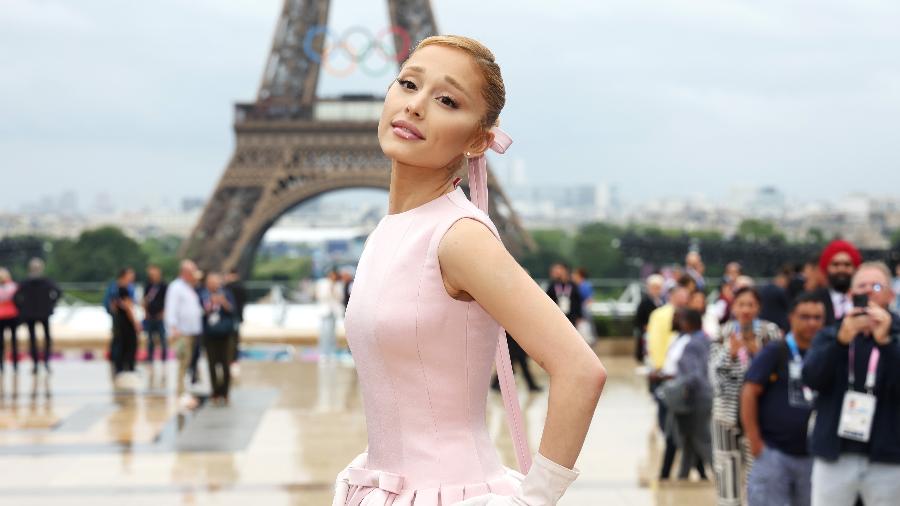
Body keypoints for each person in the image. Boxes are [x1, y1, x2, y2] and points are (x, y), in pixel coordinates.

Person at [332, 35, 606, 506]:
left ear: (480, 138)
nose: (415, 106)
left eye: (446, 100)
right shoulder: (389, 231)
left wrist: (536, 499)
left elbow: (581, 369)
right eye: (408, 83)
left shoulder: (460, 237)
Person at [803, 262, 900, 506]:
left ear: (891, 294)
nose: (868, 292)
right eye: (861, 286)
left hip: (888, 456)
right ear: (850, 294)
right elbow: (811, 378)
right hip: (835, 454)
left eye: (876, 286)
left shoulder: (896, 335)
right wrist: (841, 342)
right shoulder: (830, 334)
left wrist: (886, 343)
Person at [742, 292, 825, 506]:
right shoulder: (776, 350)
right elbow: (749, 392)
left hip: (813, 456)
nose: (811, 323)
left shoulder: (826, 353)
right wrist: (755, 442)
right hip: (774, 453)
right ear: (791, 318)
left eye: (817, 318)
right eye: (805, 317)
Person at [709, 286, 782, 506]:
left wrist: (757, 353)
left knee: (758, 475)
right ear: (733, 307)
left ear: (758, 307)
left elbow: (780, 369)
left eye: (751, 304)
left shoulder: (771, 332)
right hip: (726, 415)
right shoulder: (723, 332)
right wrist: (730, 353)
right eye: (741, 304)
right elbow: (713, 373)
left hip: (761, 415)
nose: (746, 309)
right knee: (726, 474)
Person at [646, 280, 691, 480]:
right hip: (665, 370)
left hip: (681, 371)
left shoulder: (688, 314)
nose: (684, 299)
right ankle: (672, 440)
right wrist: (658, 366)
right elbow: (654, 340)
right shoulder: (661, 314)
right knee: (665, 408)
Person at [664, 308, 713, 480]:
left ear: (689, 323)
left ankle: (723, 476)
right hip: (705, 394)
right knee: (688, 441)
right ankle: (682, 476)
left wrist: (683, 388)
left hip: (694, 397)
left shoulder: (691, 343)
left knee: (702, 439)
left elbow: (694, 374)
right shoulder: (705, 339)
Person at [164, 260, 203, 401]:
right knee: (183, 362)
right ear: (186, 273)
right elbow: (171, 308)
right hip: (182, 332)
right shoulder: (176, 287)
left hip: (192, 331)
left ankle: (187, 387)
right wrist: (173, 328)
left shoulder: (190, 287)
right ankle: (181, 391)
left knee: (190, 361)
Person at [13, 258, 61, 375]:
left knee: (33, 339)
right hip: (44, 312)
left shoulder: (25, 282)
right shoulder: (47, 281)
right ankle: (45, 362)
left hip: (30, 313)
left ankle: (35, 364)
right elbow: (58, 292)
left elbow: (16, 297)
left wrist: (22, 308)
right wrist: (51, 304)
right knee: (46, 338)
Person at [200, 273, 236, 406]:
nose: (214, 285)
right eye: (211, 282)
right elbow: (200, 312)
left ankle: (225, 392)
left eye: (216, 282)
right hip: (210, 335)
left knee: (226, 364)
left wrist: (223, 302)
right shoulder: (203, 295)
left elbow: (233, 310)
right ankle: (215, 392)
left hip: (225, 334)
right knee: (212, 364)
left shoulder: (226, 294)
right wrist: (210, 305)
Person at [812, 240, 862, 326]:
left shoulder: (864, 299)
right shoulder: (814, 299)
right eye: (836, 264)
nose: (841, 269)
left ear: (854, 268)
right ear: (826, 268)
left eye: (847, 264)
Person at [105, 268, 135, 371]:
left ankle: (119, 365)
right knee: (122, 342)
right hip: (122, 319)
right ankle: (122, 366)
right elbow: (127, 306)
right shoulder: (121, 288)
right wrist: (135, 322)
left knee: (119, 341)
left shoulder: (117, 287)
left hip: (119, 318)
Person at [634, 274, 664, 363]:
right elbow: (639, 319)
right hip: (648, 333)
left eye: (658, 288)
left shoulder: (663, 302)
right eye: (654, 287)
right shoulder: (644, 302)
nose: (656, 290)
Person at [112, 284, 140, 377]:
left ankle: (120, 367)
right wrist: (136, 324)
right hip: (128, 327)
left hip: (120, 327)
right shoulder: (125, 302)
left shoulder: (116, 302)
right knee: (131, 347)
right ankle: (130, 367)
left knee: (121, 347)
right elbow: (129, 311)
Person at [316, 269, 343, 363]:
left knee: (332, 333)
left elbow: (340, 297)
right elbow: (320, 296)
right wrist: (329, 290)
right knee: (324, 333)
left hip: (334, 311)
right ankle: (323, 353)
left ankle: (332, 353)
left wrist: (334, 289)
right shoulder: (322, 283)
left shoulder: (338, 285)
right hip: (324, 311)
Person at [143, 265, 168, 363]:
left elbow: (167, 300)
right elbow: (145, 299)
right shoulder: (148, 285)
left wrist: (163, 313)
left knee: (162, 337)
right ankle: (150, 356)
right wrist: (146, 312)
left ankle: (164, 357)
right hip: (150, 316)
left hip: (160, 316)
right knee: (150, 338)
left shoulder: (163, 285)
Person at [759, 266, 791, 333]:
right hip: (778, 324)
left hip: (763, 321)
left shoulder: (764, 288)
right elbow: (787, 307)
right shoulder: (781, 291)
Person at [224, 269, 246, 367]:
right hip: (237, 317)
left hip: (229, 318)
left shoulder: (227, 287)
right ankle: (234, 359)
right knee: (235, 338)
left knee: (230, 338)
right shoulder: (241, 286)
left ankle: (230, 358)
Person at [0, 268, 19, 373]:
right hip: (12, 315)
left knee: (1, 343)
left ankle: (2, 365)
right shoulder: (13, 286)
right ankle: (15, 365)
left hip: (1, 316)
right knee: (13, 342)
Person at [571, 267, 596, 345]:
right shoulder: (576, 285)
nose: (572, 275)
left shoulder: (585, 285)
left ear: (579, 275)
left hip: (583, 311)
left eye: (574, 274)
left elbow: (590, 299)